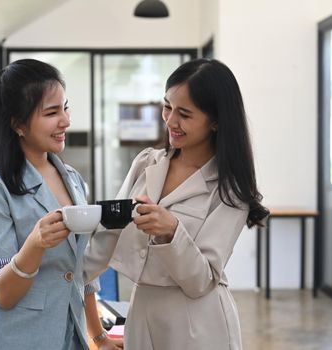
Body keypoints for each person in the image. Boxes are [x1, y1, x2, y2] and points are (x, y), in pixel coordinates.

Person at [84, 58, 269, 350]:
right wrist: (68, 276)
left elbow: (201, 280)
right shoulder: (146, 163)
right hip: (142, 312)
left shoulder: (229, 190)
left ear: (216, 121)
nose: (170, 121)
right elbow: (109, 233)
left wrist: (172, 231)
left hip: (198, 325)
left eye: (184, 114)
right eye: (167, 106)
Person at [0, 58, 121, 350]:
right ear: (18, 124)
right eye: (51, 112)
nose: (66, 121)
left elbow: (78, 270)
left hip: (65, 335)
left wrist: (99, 337)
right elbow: (2, 292)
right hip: (9, 339)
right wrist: (35, 244)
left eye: (65, 108)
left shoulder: (72, 180)